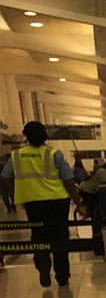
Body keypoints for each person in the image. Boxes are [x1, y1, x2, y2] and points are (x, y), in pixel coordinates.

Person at [0, 121, 87, 287]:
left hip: (33, 204)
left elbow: (4, 176)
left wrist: (16, 193)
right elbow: (68, 181)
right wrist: (79, 204)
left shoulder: (17, 155)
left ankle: (43, 267)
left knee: (38, 236)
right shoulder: (54, 154)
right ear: (45, 136)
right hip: (57, 202)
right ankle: (62, 276)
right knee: (60, 238)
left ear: (26, 137)